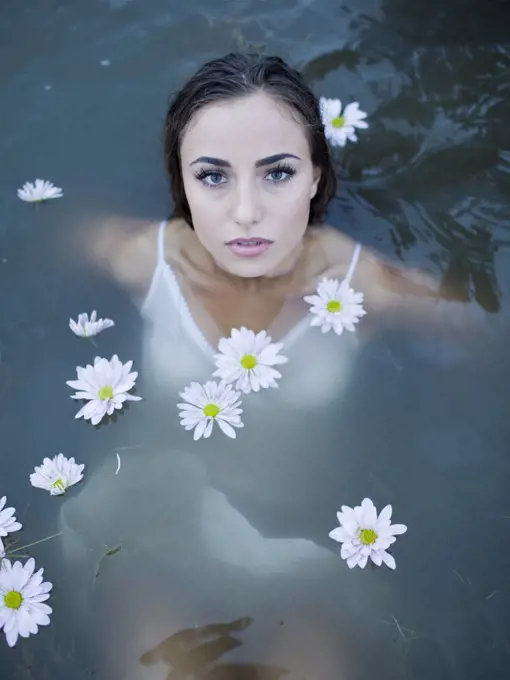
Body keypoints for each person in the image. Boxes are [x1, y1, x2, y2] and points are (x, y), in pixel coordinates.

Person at [59, 53, 439, 680]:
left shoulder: (360, 282)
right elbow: (54, 235)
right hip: (154, 525)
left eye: (278, 173)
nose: (245, 213)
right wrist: (169, 241)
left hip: (305, 543)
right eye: (212, 177)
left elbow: (481, 327)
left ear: (317, 175)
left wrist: (365, 273)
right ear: (181, 182)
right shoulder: (149, 259)